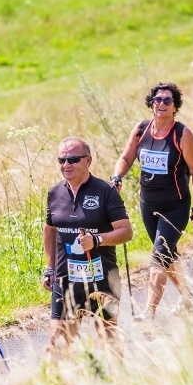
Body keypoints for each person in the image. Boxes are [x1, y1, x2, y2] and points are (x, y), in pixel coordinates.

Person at [110, 82, 193, 319]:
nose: (161, 104)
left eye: (167, 100)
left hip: (176, 205)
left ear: (175, 106)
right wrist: (116, 177)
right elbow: (126, 157)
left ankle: (148, 314)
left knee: (159, 257)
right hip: (148, 204)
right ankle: (188, 298)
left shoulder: (182, 134)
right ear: (151, 104)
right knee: (168, 254)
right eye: (158, 100)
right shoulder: (141, 129)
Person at [42, 136, 133, 356]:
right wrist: (50, 267)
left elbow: (126, 231)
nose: (66, 165)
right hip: (66, 278)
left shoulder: (105, 191)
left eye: (73, 159)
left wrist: (98, 239)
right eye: (61, 160)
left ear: (88, 160)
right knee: (58, 341)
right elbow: (50, 229)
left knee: (107, 337)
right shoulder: (55, 193)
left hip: (101, 277)